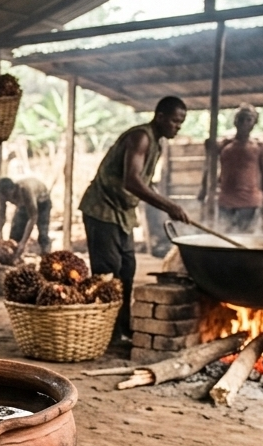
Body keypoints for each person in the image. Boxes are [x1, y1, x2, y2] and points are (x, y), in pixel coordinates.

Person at [78, 96, 190, 341]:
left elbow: (144, 183)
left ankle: (122, 327)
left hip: (123, 214)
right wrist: (167, 205)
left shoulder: (157, 145)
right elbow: (132, 181)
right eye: (174, 121)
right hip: (102, 209)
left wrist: (167, 204)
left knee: (127, 270)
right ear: (160, 117)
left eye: (181, 123)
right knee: (107, 274)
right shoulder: (140, 137)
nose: (177, 127)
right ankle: (104, 333)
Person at [198, 103, 263, 233]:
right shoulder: (224, 145)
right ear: (235, 121)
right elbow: (209, 166)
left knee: (247, 239)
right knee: (225, 238)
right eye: (241, 118)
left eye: (248, 119)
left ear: (254, 123)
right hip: (226, 202)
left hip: (251, 203)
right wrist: (204, 189)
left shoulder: (260, 146)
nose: (244, 122)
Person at [0, 176, 52, 259]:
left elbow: (33, 217)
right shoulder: (2, 194)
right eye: (5, 197)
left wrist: (23, 242)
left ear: (13, 190)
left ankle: (46, 256)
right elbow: (1, 216)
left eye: (9, 196)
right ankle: (13, 258)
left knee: (43, 234)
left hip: (42, 202)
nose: (8, 199)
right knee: (15, 233)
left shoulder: (25, 190)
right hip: (23, 205)